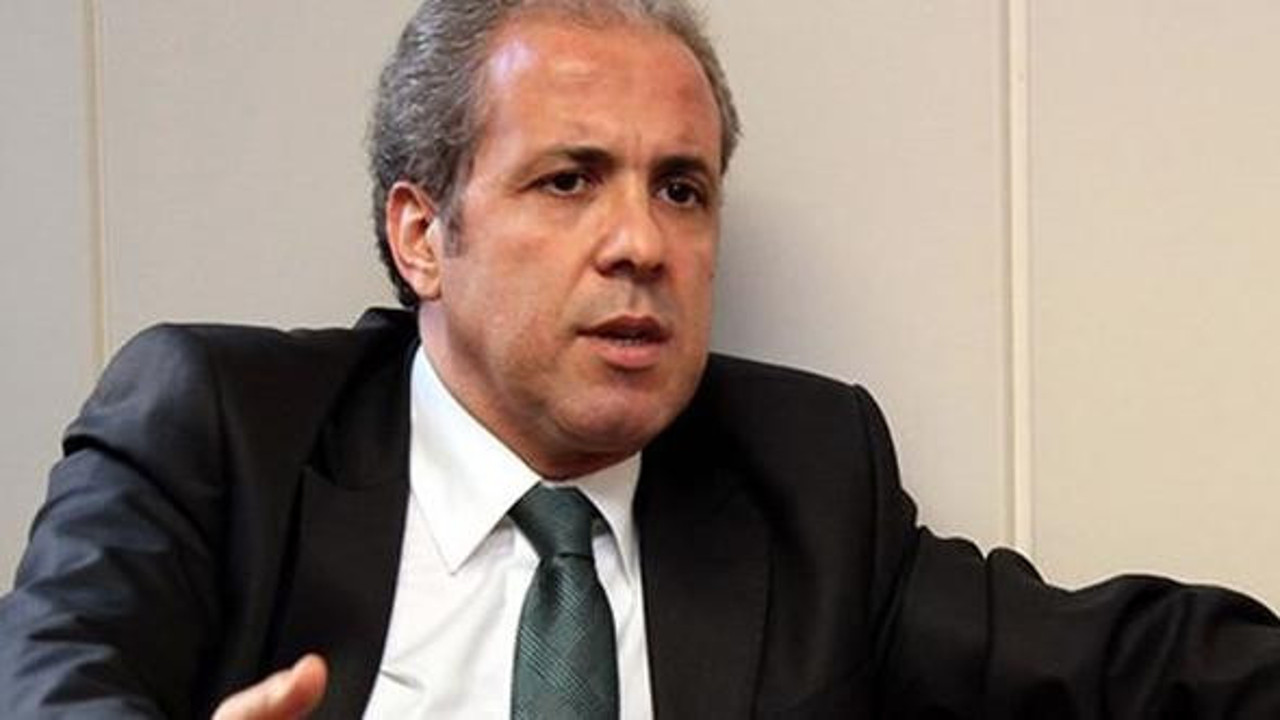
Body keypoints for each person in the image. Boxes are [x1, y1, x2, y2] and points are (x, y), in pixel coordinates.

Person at [2, 0, 1279, 718]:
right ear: (421, 237)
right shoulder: (219, 428)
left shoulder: (801, 481)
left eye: (680, 189)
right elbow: (53, 684)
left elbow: (1117, 665)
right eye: (568, 181)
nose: (641, 245)